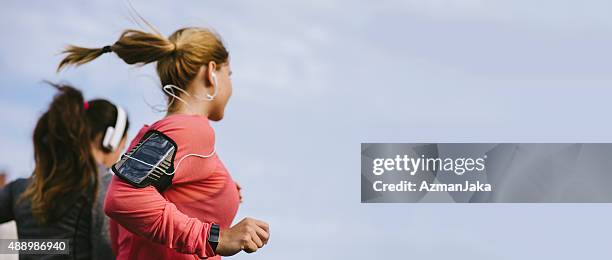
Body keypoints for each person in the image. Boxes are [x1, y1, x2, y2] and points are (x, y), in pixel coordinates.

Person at [57, 26, 270, 259]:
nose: (230, 86)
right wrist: (216, 237)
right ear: (211, 72)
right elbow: (123, 198)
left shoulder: (158, 136)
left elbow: (131, 228)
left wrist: (221, 190)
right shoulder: (190, 129)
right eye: (229, 74)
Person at [0, 84, 130, 260]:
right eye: (122, 145)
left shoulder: (22, 188)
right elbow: (108, 251)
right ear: (109, 141)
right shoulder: (104, 187)